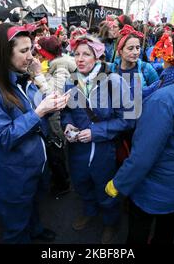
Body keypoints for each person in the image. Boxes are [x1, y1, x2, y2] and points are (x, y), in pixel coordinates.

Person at [105, 30, 174, 244]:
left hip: (158, 184)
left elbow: (142, 156)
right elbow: (150, 90)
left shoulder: (164, 100)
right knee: (167, 224)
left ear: (172, 56)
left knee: (139, 229)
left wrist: (119, 183)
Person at [0, 23, 69, 243]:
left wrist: (38, 77)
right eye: (24, 51)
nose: (31, 56)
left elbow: (47, 100)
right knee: (16, 228)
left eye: (31, 50)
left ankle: (36, 230)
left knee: (34, 206)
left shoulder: (22, 78)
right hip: (15, 174)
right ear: (4, 53)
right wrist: (39, 112)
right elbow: (2, 137)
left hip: (36, 165)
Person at [61, 34, 135, 244]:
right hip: (78, 150)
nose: (80, 59)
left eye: (86, 54)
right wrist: (67, 124)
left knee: (106, 189)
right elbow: (67, 111)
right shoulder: (71, 80)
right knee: (81, 183)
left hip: (105, 151)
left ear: (98, 57)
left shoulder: (114, 81)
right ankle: (89, 211)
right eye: (77, 54)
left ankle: (111, 223)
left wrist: (97, 132)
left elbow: (128, 120)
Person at [30, 35, 76, 197]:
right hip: (52, 115)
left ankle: (63, 184)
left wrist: (38, 75)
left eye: (40, 53)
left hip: (55, 117)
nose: (38, 56)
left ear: (47, 53)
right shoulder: (56, 63)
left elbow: (53, 95)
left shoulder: (61, 67)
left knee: (56, 148)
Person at [108, 25, 159, 95]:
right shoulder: (111, 69)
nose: (135, 52)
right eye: (130, 48)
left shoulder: (146, 68)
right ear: (120, 51)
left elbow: (156, 92)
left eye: (137, 48)